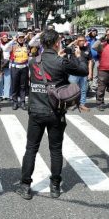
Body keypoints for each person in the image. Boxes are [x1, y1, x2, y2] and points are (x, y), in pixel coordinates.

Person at [16, 30, 88, 200]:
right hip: (55, 111)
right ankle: (55, 186)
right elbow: (83, 71)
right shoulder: (62, 61)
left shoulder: (33, 61)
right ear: (56, 43)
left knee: (31, 149)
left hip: (35, 110)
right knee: (55, 149)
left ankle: (25, 185)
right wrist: (78, 56)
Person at [65, 34, 93, 111]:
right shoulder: (72, 48)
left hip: (84, 72)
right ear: (76, 40)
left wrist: (90, 73)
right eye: (80, 40)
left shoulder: (87, 49)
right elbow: (65, 49)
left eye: (83, 40)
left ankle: (82, 104)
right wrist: (73, 42)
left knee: (83, 89)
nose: (82, 42)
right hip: (74, 72)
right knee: (72, 89)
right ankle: (71, 104)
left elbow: (90, 61)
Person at [7, 32, 31, 110]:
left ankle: (22, 102)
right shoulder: (13, 46)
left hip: (24, 68)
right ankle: (15, 102)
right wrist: (12, 41)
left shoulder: (27, 46)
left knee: (23, 86)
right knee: (14, 85)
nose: (21, 39)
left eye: (22, 37)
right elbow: (5, 48)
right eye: (19, 37)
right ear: (17, 38)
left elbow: (29, 56)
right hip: (15, 68)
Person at [0, 32, 12, 103]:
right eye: (3, 37)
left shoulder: (10, 44)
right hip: (0, 64)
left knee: (8, 80)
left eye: (6, 37)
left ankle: (7, 95)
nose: (5, 38)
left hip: (8, 63)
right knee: (0, 80)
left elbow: (11, 53)